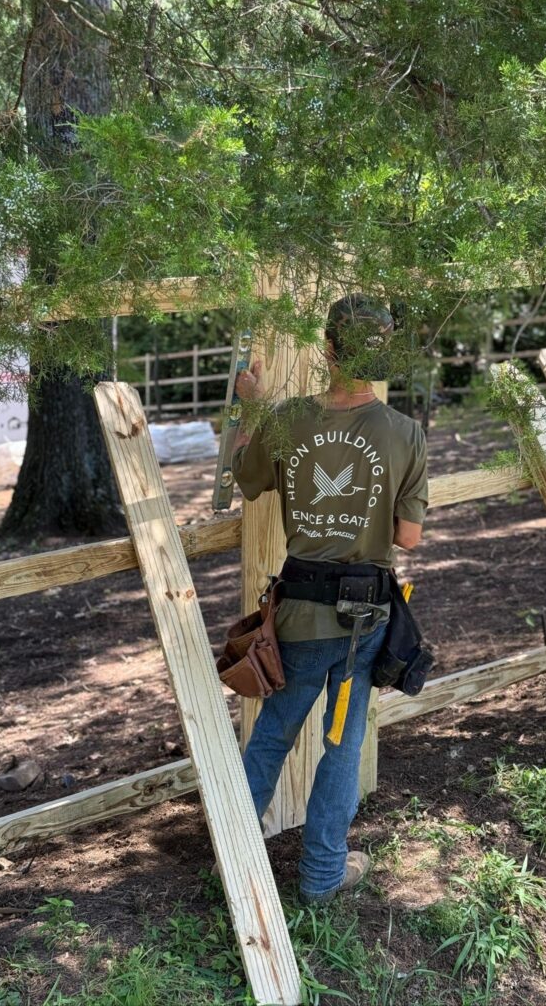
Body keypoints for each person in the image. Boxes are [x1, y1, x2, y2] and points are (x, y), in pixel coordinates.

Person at [231, 293, 428, 905]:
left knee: (271, 737)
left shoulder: (288, 419)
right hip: (359, 630)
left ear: (327, 348)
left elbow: (246, 478)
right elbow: (408, 538)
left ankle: (236, 865)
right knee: (342, 743)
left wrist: (250, 408)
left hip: (296, 619)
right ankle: (321, 876)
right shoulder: (404, 433)